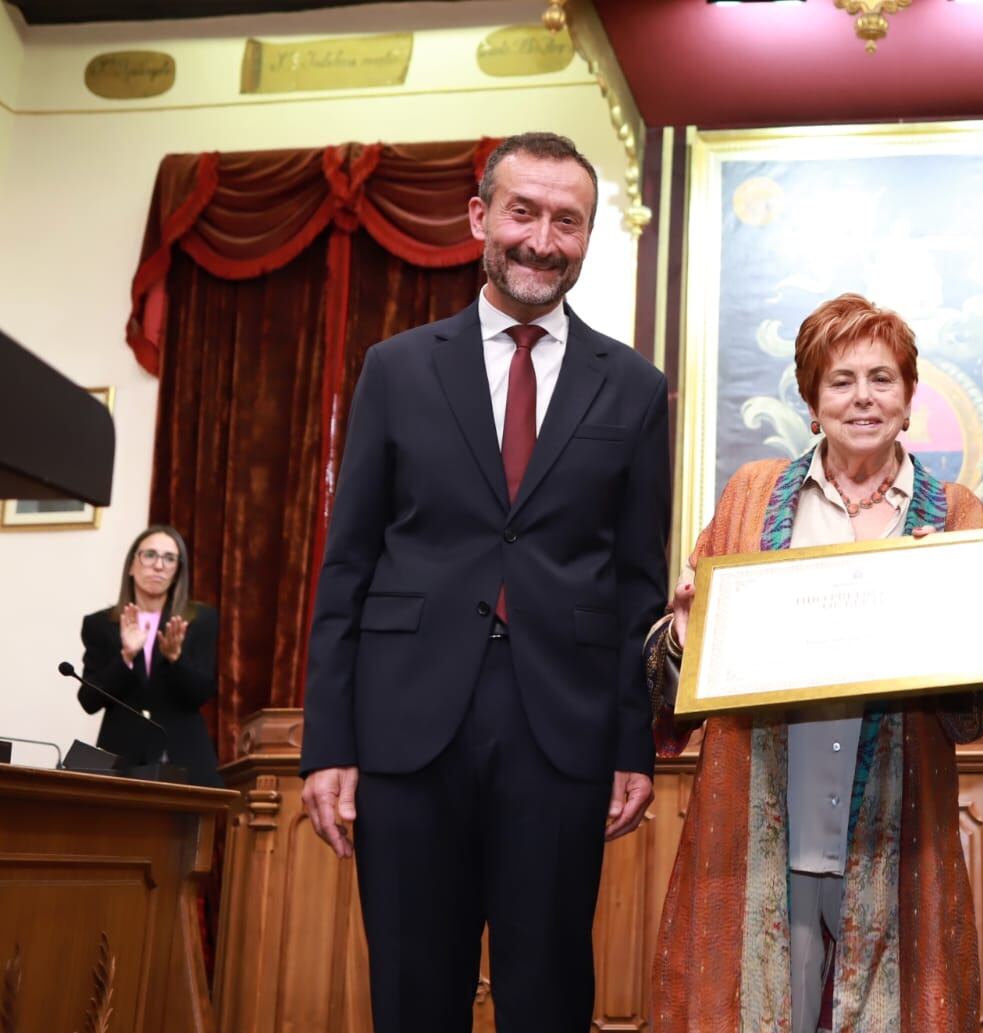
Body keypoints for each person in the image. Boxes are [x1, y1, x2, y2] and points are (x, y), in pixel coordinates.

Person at [298, 131, 670, 1033]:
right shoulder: (396, 367)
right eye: (524, 212)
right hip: (407, 724)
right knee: (414, 992)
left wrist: (634, 744)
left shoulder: (634, 387)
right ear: (479, 219)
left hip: (561, 729)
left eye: (568, 221)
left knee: (547, 994)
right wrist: (328, 742)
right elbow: (347, 564)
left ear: (589, 236)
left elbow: (636, 583)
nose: (544, 239)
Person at [647, 293, 983, 1033]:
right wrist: (682, 631)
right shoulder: (750, 495)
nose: (862, 397)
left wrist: (979, 631)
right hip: (762, 831)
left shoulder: (958, 514)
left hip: (900, 836)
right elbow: (684, 685)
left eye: (881, 378)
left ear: (907, 399)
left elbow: (971, 714)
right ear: (811, 399)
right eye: (840, 380)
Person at [78, 524, 222, 786]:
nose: (159, 566)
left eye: (169, 558)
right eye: (150, 555)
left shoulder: (201, 620)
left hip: (184, 758)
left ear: (177, 571)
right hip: (121, 760)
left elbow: (202, 693)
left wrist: (175, 659)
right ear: (132, 566)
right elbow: (88, 700)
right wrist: (126, 658)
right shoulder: (99, 624)